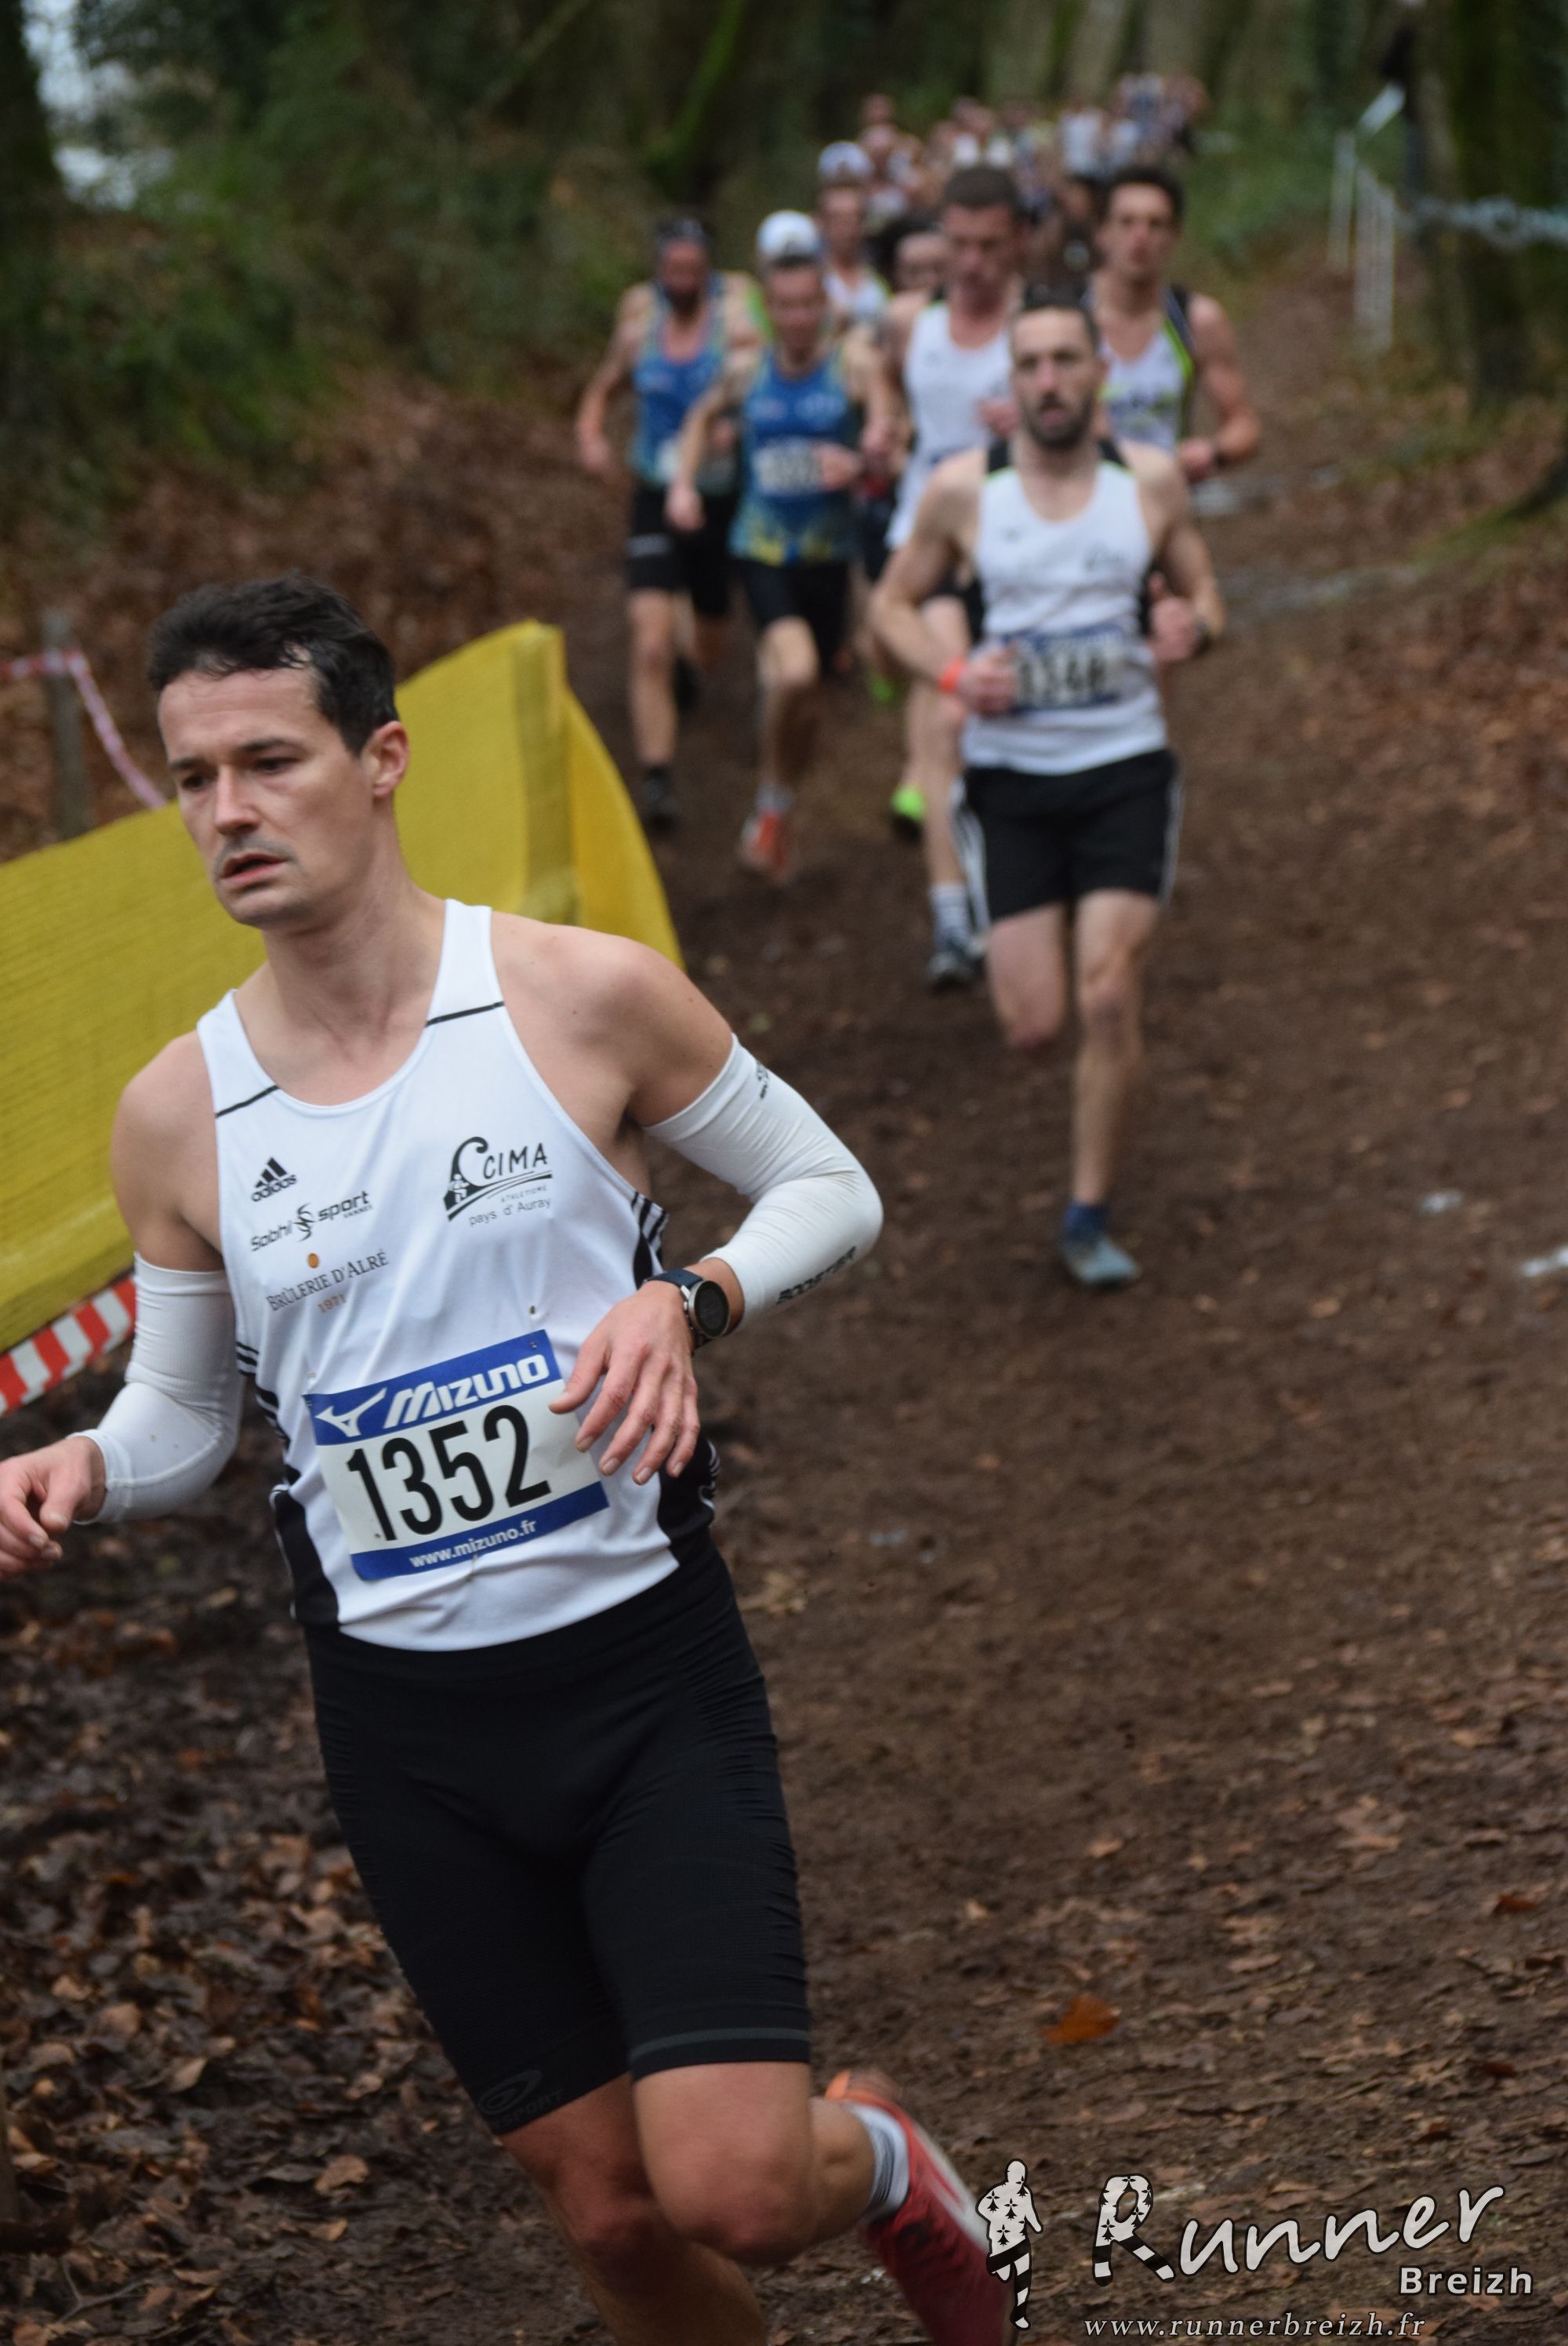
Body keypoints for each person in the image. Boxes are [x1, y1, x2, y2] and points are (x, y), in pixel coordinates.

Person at [0, 573, 1008, 2346]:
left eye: (270, 761)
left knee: (732, 2188)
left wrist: (685, 1299)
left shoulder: (574, 995)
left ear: (382, 758)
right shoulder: (176, 1112)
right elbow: (186, 1414)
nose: (228, 811)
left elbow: (828, 1187)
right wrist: (86, 1461)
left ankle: (887, 2162)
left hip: (641, 1679)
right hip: (410, 1732)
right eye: (193, 777)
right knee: (614, 2218)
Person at [871, 290, 1225, 1287]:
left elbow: (1205, 592)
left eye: (1066, 360)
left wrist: (1192, 626)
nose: (1048, 381)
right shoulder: (962, 490)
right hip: (1011, 784)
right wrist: (951, 675)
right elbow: (890, 605)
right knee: (1032, 1025)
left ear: (1098, 371)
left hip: (1124, 768)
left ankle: (1086, 1213)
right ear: (1010, 381)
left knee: (1106, 993)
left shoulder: (1147, 481)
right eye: (1029, 365)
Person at [670, 248, 890, 885]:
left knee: (810, 703)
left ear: (825, 307)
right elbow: (700, 416)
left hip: (830, 556)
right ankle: (768, 803)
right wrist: (684, 485)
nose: (797, 319)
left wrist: (866, 459)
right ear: (768, 310)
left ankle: (780, 806)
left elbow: (889, 434)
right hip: (762, 549)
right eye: (785, 307)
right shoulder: (747, 371)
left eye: (807, 305)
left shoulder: (853, 366)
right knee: (795, 673)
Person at [878, 166, 1025, 985]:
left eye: (989, 246)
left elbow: (1094, 422)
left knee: (1000, 727)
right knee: (945, 714)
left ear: (1018, 240)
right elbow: (887, 389)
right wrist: (882, 427)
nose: (971, 263)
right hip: (927, 543)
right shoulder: (912, 321)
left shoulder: (1039, 329)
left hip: (1014, 552)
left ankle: (1015, 893)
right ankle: (950, 919)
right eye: (958, 244)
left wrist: (1031, 421)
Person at [575, 222, 760, 830]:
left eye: (692, 271)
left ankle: (687, 661)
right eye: (672, 270)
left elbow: (759, 390)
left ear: (708, 272)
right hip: (654, 494)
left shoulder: (733, 332)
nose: (682, 281)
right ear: (658, 271)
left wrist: (733, 425)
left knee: (708, 646)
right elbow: (602, 389)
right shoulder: (639, 334)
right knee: (649, 642)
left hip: (717, 498)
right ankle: (657, 778)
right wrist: (591, 435)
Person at [1091, 166, 1260, 481]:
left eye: (1155, 224)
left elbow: (1244, 425)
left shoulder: (1196, 319)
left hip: (1167, 496)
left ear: (1174, 236)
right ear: (1101, 231)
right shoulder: (1067, 319)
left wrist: (1213, 452)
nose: (1140, 237)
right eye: (1126, 222)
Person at [818, 179, 890, 333]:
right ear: (823, 224)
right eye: (837, 219)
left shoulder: (881, 284)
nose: (846, 228)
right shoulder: (813, 282)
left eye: (853, 218)